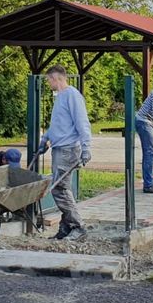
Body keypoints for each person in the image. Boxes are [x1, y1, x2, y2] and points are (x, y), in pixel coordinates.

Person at [38, 65, 91, 240]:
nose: (48, 83)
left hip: (68, 149)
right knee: (62, 189)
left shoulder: (72, 96)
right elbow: (57, 124)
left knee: (59, 189)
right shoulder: (60, 97)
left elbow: (82, 123)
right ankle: (66, 227)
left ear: (56, 78)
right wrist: (45, 138)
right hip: (59, 148)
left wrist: (86, 148)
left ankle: (78, 226)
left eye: (48, 79)